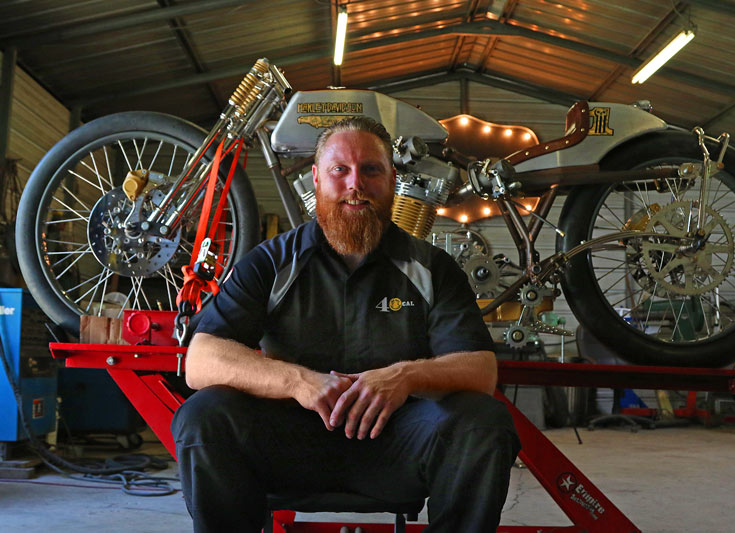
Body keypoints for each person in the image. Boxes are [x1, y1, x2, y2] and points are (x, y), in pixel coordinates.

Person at [171, 117, 521, 532]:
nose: (356, 184)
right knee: (203, 414)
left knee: (483, 421)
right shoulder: (271, 262)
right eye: (341, 170)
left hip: (398, 446)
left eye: (371, 170)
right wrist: (300, 382)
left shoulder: (432, 268)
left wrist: (403, 377)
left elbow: (480, 371)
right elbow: (202, 361)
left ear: (392, 178)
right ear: (317, 179)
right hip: (289, 449)